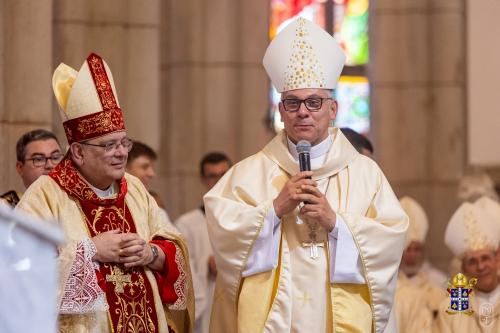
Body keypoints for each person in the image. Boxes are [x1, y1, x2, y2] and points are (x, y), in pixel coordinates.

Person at [204, 18, 408, 333]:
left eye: (314, 102)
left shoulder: (366, 174)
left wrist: (337, 224)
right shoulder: (249, 173)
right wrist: (273, 211)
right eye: (292, 102)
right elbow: (225, 238)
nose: (303, 111)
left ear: (333, 108)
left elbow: (391, 240)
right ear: (281, 111)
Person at [16, 53, 193, 333]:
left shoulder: (134, 188)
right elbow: (19, 272)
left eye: (124, 142)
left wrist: (152, 254)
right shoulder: (45, 196)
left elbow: (173, 245)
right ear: (78, 151)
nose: (121, 152)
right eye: (109, 145)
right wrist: (90, 251)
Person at [176, 152, 232, 333]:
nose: (218, 181)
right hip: (207, 300)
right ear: (202, 179)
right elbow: (181, 267)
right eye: (212, 176)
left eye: (223, 174)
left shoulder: (248, 216)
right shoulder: (187, 224)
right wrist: (204, 265)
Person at [435, 196, 500, 332]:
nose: (481, 267)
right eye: (472, 262)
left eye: (485, 258)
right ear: (463, 269)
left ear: (497, 259)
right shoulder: (451, 307)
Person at [397, 196, 447, 318]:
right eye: (407, 249)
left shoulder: (440, 282)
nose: (412, 255)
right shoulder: (388, 284)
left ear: (423, 252)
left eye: (417, 249)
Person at [1, 129, 63, 207]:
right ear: (20, 168)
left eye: (55, 157)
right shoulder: (7, 209)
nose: (50, 165)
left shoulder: (75, 203)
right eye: (39, 159)